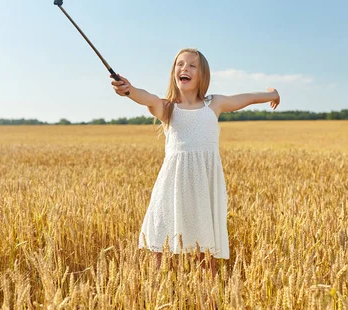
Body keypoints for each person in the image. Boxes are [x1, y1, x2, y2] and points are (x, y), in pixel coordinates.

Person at [110, 48, 280, 275]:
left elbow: (244, 99)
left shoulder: (214, 105)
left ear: (203, 75)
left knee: (205, 251)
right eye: (180, 64)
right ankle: (162, 297)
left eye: (192, 65)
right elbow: (146, 97)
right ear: (174, 73)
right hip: (172, 187)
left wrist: (272, 95)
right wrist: (129, 90)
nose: (185, 68)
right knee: (161, 248)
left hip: (204, 186)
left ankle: (208, 305)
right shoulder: (167, 107)